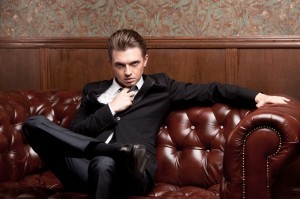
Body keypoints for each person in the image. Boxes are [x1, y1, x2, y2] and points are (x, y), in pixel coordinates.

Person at [22, 29, 290, 199]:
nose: (128, 71)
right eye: (120, 65)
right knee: (33, 124)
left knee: (106, 163)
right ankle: (106, 151)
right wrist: (110, 110)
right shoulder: (94, 92)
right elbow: (74, 134)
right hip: (84, 167)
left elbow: (212, 90)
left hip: (133, 171)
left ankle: (111, 154)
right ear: (111, 64)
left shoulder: (161, 87)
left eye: (134, 63)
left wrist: (257, 96)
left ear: (146, 60)